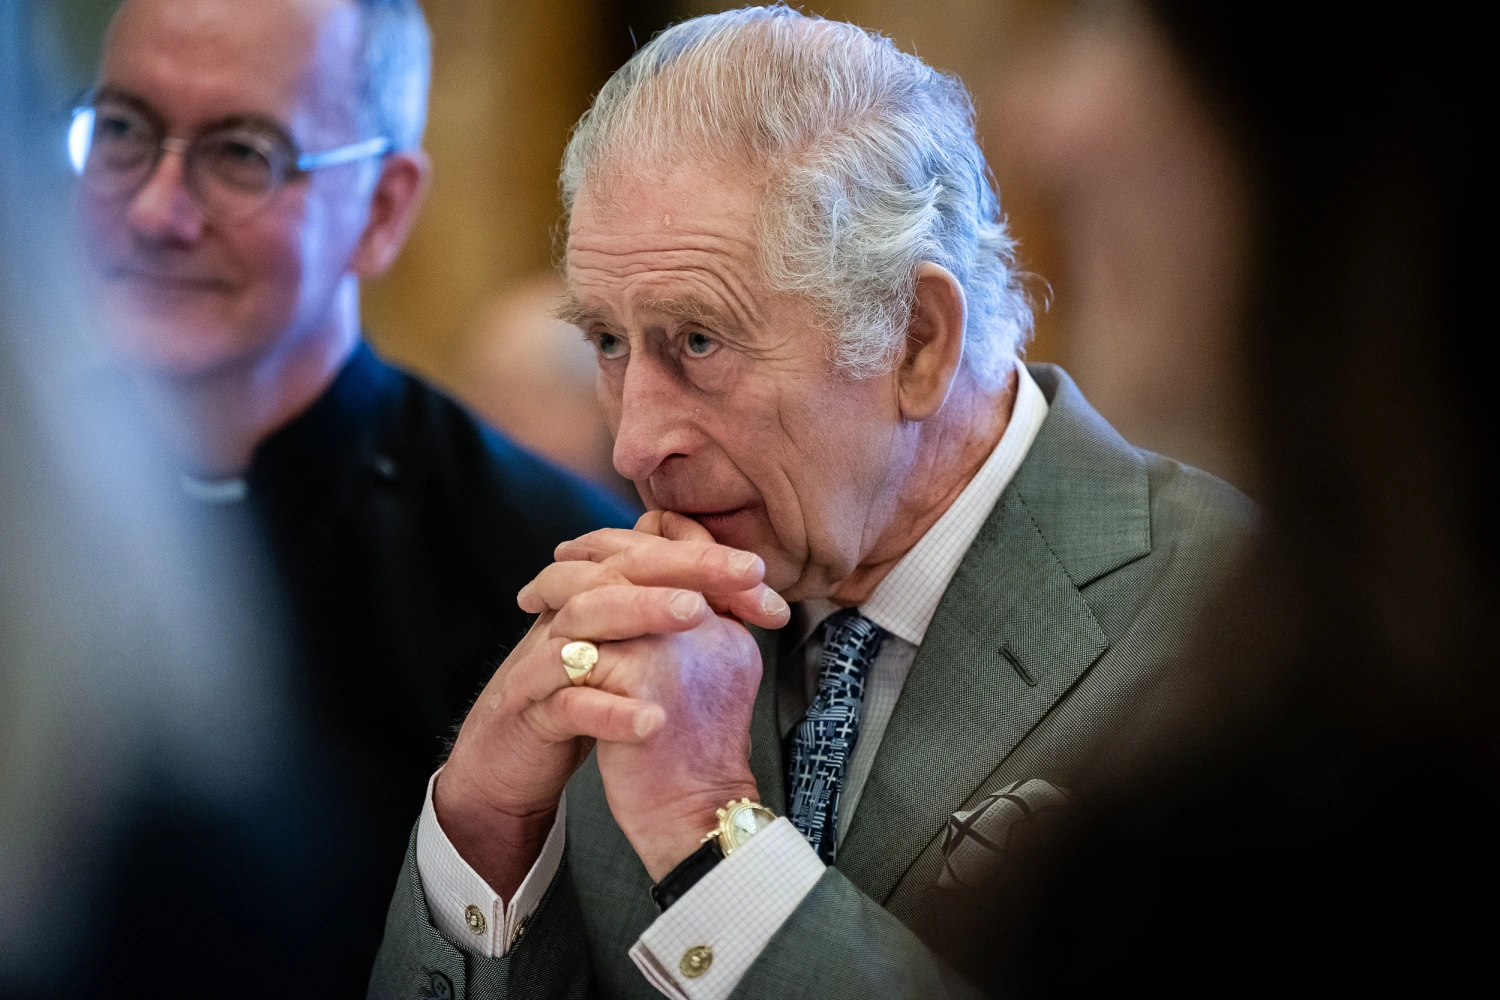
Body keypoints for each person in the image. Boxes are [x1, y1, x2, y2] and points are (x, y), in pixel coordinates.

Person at [369, 8, 1254, 999]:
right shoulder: (635, 619)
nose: (632, 444)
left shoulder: (1239, 628)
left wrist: (715, 844)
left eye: (699, 342)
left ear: (916, 338)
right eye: (609, 342)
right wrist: (484, 830)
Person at [68, 0, 635, 982]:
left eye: (240, 154)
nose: (157, 211)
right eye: (121, 130)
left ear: (382, 209)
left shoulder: (544, 573)